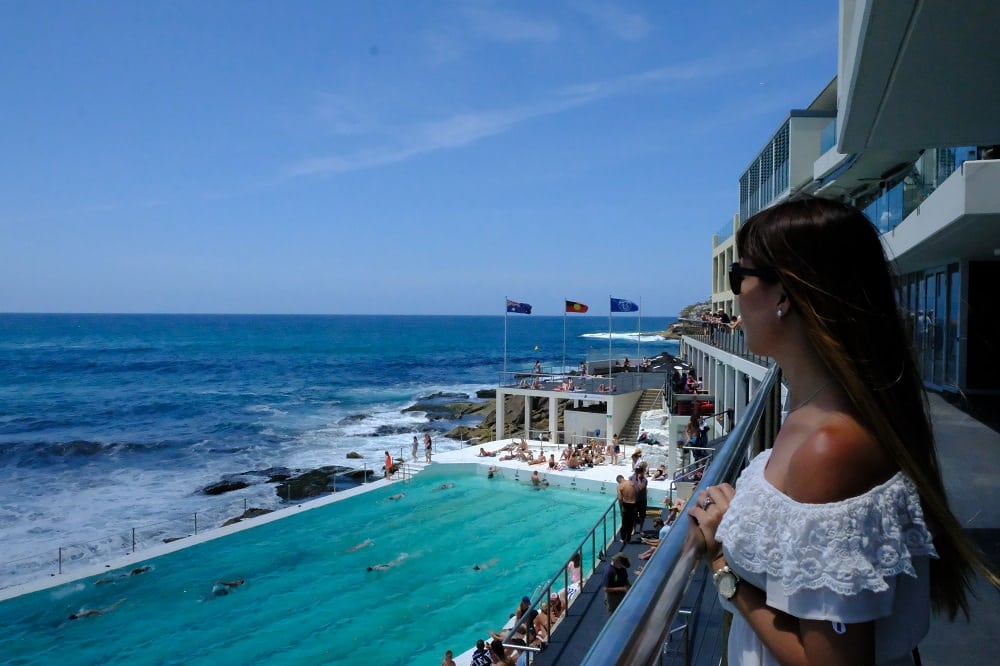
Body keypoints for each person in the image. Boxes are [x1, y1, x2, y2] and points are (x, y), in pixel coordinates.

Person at [689, 197, 1000, 665]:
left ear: (784, 296)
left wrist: (721, 567)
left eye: (740, 277)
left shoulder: (830, 447)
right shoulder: (811, 410)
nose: (735, 295)